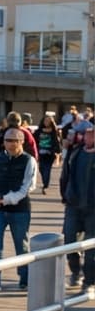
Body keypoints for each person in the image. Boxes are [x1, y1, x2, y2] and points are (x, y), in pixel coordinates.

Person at [0, 128, 37, 293]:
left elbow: (28, 187)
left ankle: (25, 279)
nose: (10, 144)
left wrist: (7, 199)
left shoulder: (29, 161)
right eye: (7, 140)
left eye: (14, 140)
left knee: (22, 245)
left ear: (21, 142)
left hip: (19, 209)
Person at [59, 121, 95, 290]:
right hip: (73, 205)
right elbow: (65, 174)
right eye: (87, 133)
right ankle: (76, 272)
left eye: (92, 133)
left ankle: (89, 280)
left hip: (93, 208)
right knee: (69, 239)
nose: (88, 136)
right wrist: (65, 195)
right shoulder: (76, 152)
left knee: (91, 247)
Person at [34, 113, 62, 194]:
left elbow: (57, 142)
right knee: (41, 169)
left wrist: (58, 152)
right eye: (45, 121)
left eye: (48, 121)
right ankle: (44, 182)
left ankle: (45, 185)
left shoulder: (54, 131)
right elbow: (34, 141)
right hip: (40, 152)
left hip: (50, 153)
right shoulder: (38, 131)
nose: (47, 122)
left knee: (47, 169)